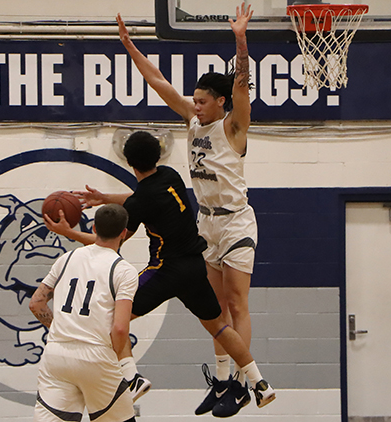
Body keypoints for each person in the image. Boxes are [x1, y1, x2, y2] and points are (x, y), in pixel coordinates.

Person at [44, 131, 276, 417]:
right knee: (218, 326)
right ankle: (259, 383)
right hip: (194, 266)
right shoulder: (170, 176)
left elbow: (112, 241)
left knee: (112, 320)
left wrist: (68, 233)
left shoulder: (139, 202)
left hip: (165, 269)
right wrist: (105, 197)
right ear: (158, 155)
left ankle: (132, 376)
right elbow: (141, 196)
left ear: (130, 163)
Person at [117, 2, 259, 414]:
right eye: (193, 100)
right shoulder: (193, 122)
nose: (194, 105)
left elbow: (242, 86)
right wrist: (130, 47)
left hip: (235, 223)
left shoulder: (234, 126)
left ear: (219, 102)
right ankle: (219, 380)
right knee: (213, 309)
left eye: (201, 101)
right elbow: (158, 81)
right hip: (205, 223)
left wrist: (240, 40)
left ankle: (239, 382)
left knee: (236, 303)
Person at [29, 203, 139, 422]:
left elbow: (36, 303)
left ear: (94, 228)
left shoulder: (66, 259)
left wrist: (59, 330)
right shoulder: (123, 270)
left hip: (57, 355)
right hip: (96, 356)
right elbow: (119, 328)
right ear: (124, 233)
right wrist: (115, 358)